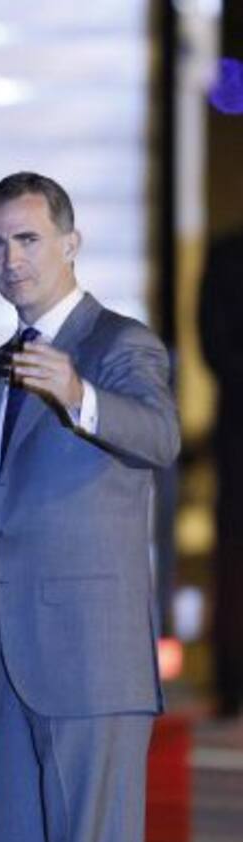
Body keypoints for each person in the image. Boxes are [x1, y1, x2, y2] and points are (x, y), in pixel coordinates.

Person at [0, 173, 180, 842]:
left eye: (28, 238)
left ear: (70, 244)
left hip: (92, 665)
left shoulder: (119, 345)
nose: (10, 259)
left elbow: (160, 437)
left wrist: (81, 398)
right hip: (4, 670)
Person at [199, 229, 243, 717]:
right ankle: (230, 681)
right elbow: (215, 346)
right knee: (233, 559)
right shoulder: (229, 255)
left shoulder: (226, 254)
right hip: (238, 433)